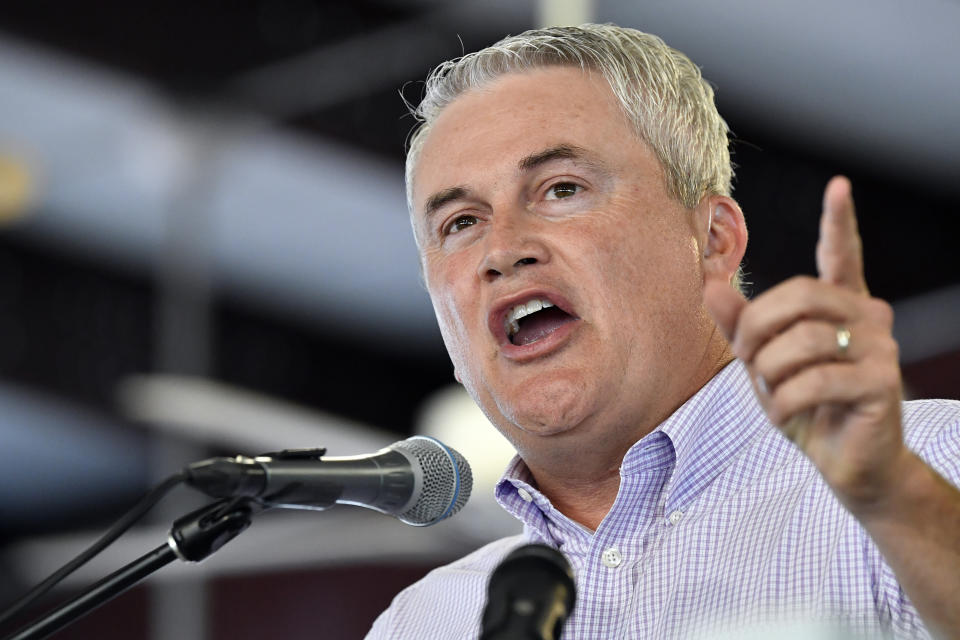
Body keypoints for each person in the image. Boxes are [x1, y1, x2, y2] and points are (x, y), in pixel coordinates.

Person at [367, 24, 960, 639]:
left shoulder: (932, 469)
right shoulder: (422, 623)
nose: (503, 249)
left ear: (711, 239)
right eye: (461, 223)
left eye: (561, 189)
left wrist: (897, 500)